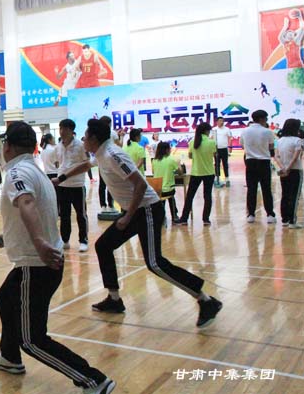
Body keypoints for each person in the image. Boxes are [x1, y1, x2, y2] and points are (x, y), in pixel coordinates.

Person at [0, 121, 115, 394]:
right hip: (40, 261)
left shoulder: (17, 172)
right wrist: (7, 238)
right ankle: (9, 357)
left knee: (32, 340)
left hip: (36, 264)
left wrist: (40, 243)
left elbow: (27, 203)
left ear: (8, 147)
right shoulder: (37, 172)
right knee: (5, 298)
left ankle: (93, 380)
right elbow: (36, 214)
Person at [57, 119, 222, 328]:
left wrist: (127, 216)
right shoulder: (100, 153)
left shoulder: (113, 155)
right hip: (134, 211)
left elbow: (140, 185)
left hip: (147, 210)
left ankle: (206, 301)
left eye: (86, 136)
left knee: (155, 263)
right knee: (103, 246)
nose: (83, 140)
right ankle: (114, 299)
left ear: (94, 139)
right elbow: (85, 165)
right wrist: (61, 178)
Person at [55, 119, 91, 252]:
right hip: (62, 186)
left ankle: (83, 241)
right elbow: (58, 163)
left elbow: (87, 163)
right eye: (60, 128)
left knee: (81, 214)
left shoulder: (81, 145)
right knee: (64, 215)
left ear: (71, 130)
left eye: (65, 129)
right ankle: (65, 240)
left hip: (77, 185)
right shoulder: (58, 146)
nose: (62, 131)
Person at [176, 123, 216, 226]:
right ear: (206, 131)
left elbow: (190, 156)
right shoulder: (211, 142)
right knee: (207, 196)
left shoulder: (192, 142)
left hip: (196, 172)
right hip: (209, 172)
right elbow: (214, 154)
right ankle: (206, 219)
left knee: (190, 196)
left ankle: (184, 218)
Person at [240, 110, 277, 224]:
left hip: (250, 162)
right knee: (266, 189)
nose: (266, 120)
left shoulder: (245, 131)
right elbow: (271, 147)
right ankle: (270, 214)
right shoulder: (267, 131)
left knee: (251, 189)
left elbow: (242, 145)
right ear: (261, 119)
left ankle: (251, 214)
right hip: (264, 162)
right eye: (266, 118)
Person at [275, 119, 303, 229]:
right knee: (294, 196)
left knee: (285, 194)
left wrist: (283, 168)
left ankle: (285, 219)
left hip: (284, 171)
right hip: (295, 170)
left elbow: (276, 156)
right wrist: (288, 168)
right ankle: (292, 221)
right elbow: (295, 157)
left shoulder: (280, 140)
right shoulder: (297, 140)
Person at [151, 142, 181, 223]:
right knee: (171, 196)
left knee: (161, 199)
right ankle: (174, 216)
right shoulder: (171, 160)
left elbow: (153, 172)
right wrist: (178, 164)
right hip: (168, 189)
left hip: (157, 190)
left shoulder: (154, 160)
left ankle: (161, 217)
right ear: (167, 150)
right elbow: (180, 173)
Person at [97, 116, 117, 214]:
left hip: (101, 162)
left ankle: (103, 206)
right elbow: (119, 145)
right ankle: (110, 205)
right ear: (109, 123)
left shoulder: (97, 134)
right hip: (111, 162)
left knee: (102, 185)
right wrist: (121, 136)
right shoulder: (113, 133)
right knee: (111, 184)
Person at [210, 117, 232, 188]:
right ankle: (217, 178)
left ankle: (227, 178)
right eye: (219, 121)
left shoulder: (227, 129)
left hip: (224, 149)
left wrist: (230, 148)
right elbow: (211, 138)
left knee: (225, 164)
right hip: (216, 149)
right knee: (217, 164)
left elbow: (230, 138)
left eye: (222, 121)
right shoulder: (214, 129)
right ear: (217, 122)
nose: (221, 122)